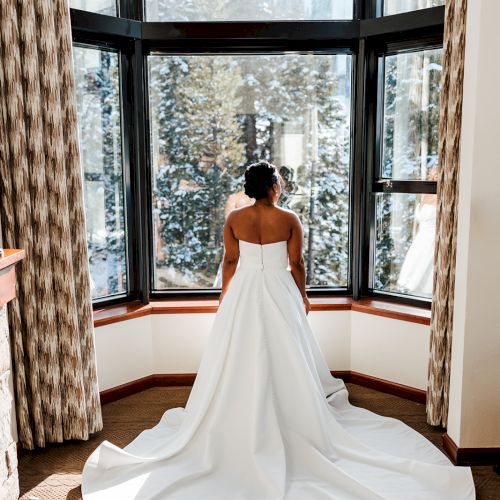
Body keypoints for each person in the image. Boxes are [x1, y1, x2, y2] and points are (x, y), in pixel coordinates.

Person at [81, 160, 475, 499]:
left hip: (245, 291)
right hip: (279, 289)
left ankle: (238, 411)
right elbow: (297, 264)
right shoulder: (288, 218)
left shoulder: (235, 219)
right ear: (273, 187)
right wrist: (303, 296)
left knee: (239, 352)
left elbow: (230, 263)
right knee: (287, 350)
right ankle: (292, 412)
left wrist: (225, 298)